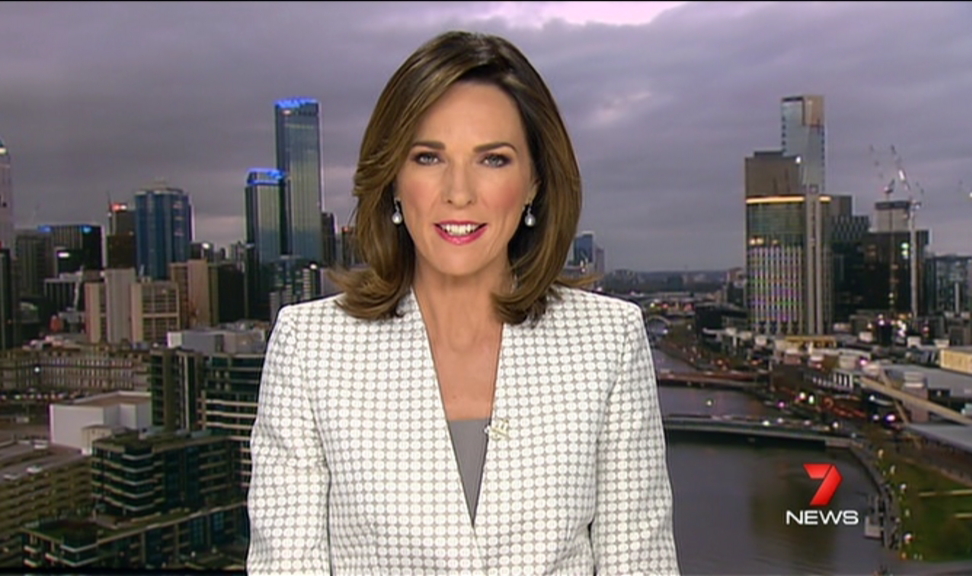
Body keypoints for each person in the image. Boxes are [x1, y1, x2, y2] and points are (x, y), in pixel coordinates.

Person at [246, 30, 680, 575]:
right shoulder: (310, 347)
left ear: (535, 183)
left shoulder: (609, 340)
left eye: (492, 160)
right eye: (429, 157)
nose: (458, 192)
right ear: (393, 179)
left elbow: (640, 564)